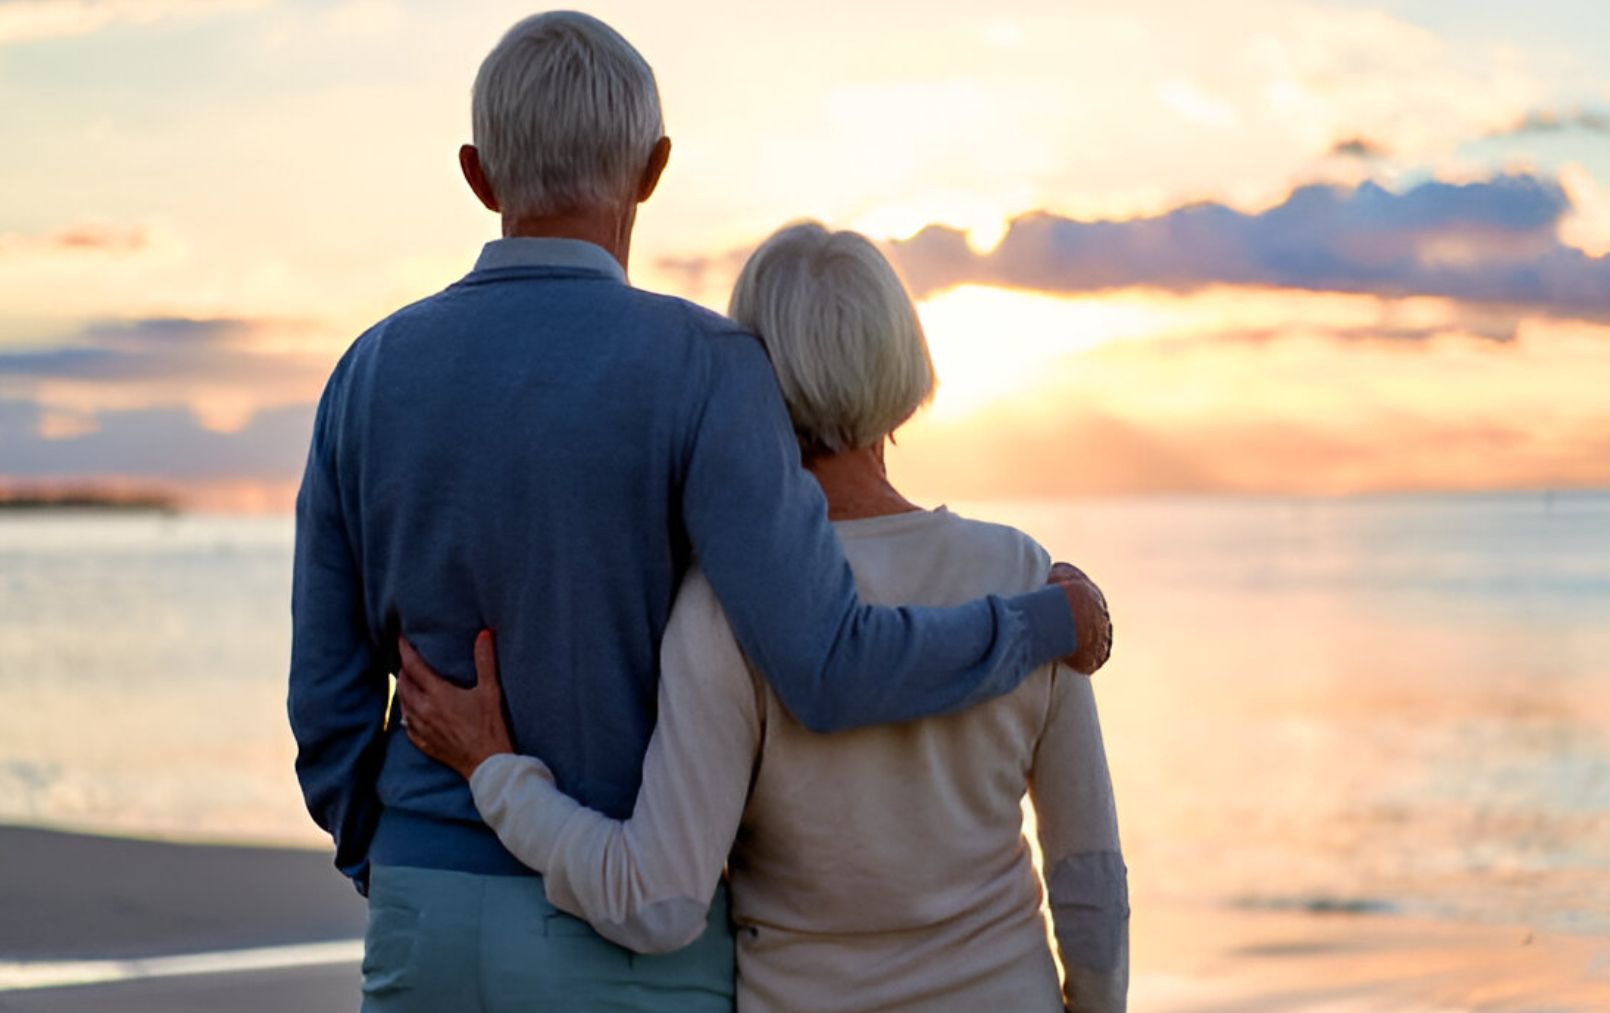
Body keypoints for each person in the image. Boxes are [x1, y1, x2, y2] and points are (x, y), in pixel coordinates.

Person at [286, 10, 1112, 1012]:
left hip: (427, 909)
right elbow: (823, 660)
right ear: (653, 167)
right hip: (624, 941)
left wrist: (392, 857)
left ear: (478, 175)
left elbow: (326, 698)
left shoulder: (365, 375)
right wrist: (1041, 619)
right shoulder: (707, 369)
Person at [397, 223, 1130, 1012]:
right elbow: (1087, 877)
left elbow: (657, 898)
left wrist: (496, 775)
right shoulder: (1024, 577)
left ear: (751, 380)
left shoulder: (728, 604)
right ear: (903, 355)